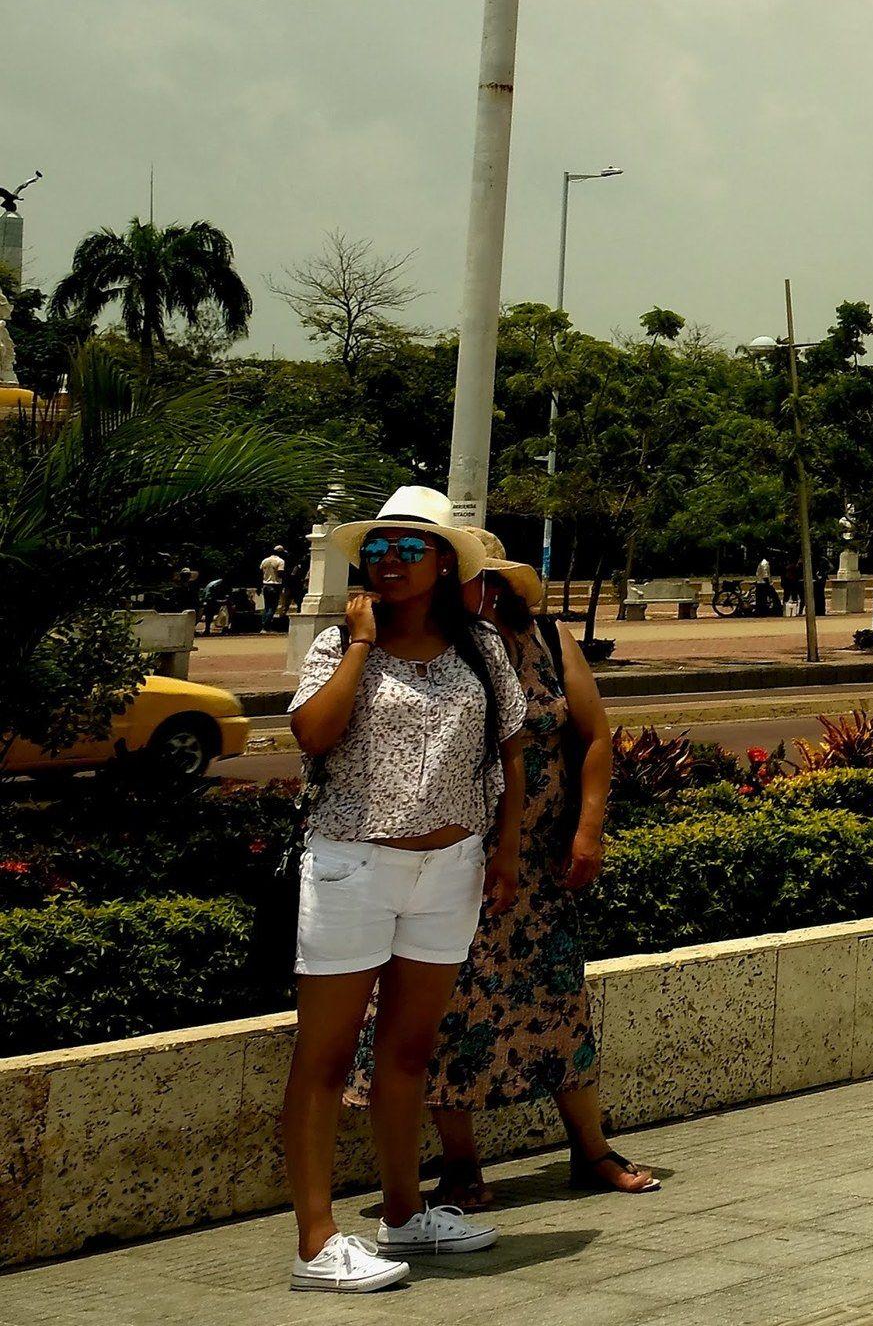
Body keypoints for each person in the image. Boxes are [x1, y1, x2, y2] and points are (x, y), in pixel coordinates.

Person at [348, 558, 662, 1205]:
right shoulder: (424, 644)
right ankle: (461, 1165)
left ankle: (592, 1149)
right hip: (447, 863)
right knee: (442, 1011)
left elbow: (594, 736)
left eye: (475, 576)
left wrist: (588, 829)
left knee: (558, 999)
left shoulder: (545, 639)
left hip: (540, 869)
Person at [278, 485, 527, 1295]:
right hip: (354, 863)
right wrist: (359, 643)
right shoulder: (338, 642)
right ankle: (317, 1240)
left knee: (409, 1049)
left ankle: (402, 1210)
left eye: (408, 547)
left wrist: (506, 847)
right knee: (324, 1054)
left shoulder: (479, 645)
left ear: (445, 563)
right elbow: (313, 732)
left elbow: (510, 748)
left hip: (450, 866)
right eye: (377, 548)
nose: (388, 560)